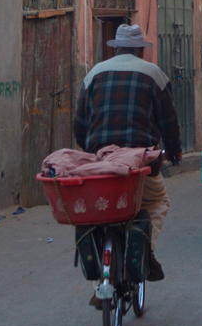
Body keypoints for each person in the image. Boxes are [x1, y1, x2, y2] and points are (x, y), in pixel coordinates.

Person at [72, 23, 182, 284]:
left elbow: (80, 123)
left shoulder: (95, 73)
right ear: (140, 51)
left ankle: (102, 269)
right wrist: (175, 153)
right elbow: (169, 122)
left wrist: (91, 150)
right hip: (137, 164)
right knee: (157, 201)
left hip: (102, 163)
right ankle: (146, 250)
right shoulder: (154, 74)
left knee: (100, 211)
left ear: (117, 49)